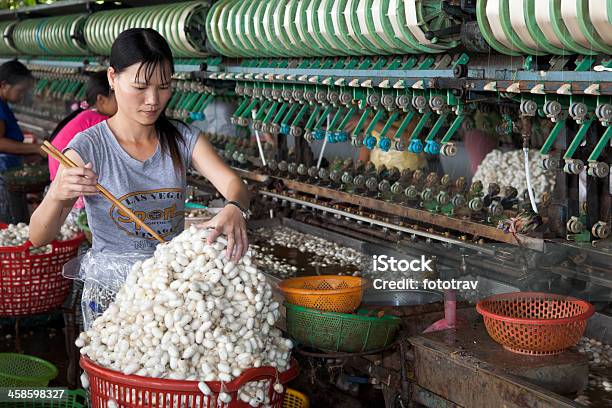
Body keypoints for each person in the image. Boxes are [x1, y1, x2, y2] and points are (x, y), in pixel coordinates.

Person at [29, 28, 250, 325]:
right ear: (112, 78)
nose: (152, 100)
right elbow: (38, 236)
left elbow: (235, 185)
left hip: (170, 289)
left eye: (163, 86)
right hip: (113, 298)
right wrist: (57, 194)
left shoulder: (183, 139)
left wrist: (234, 207)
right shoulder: (88, 147)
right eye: (140, 86)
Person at [46, 71, 117, 224]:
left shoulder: (86, 115)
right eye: (117, 97)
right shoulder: (100, 122)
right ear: (101, 100)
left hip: (59, 185)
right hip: (74, 194)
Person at [0, 60, 44, 223]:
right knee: (12, 221)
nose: (23, 95)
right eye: (21, 90)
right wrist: (36, 147)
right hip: (3, 180)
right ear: (4, 85)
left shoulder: (4, 106)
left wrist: (28, 155)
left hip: (7, 175)